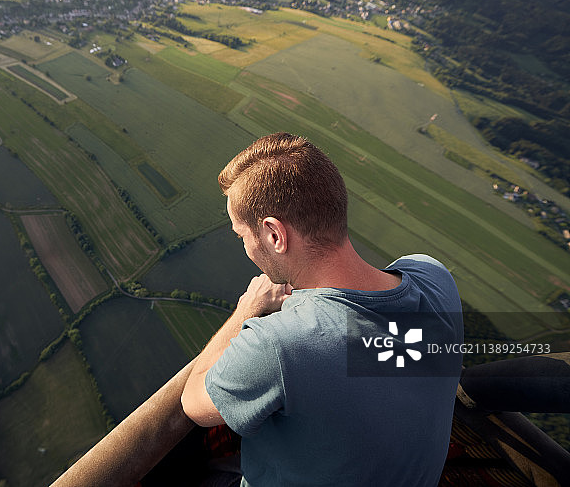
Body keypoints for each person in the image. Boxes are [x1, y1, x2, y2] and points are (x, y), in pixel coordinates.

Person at [180, 132, 463, 486]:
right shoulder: (434, 279)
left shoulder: (278, 345)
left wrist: (245, 312)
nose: (246, 247)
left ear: (274, 234)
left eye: (242, 235)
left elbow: (193, 403)